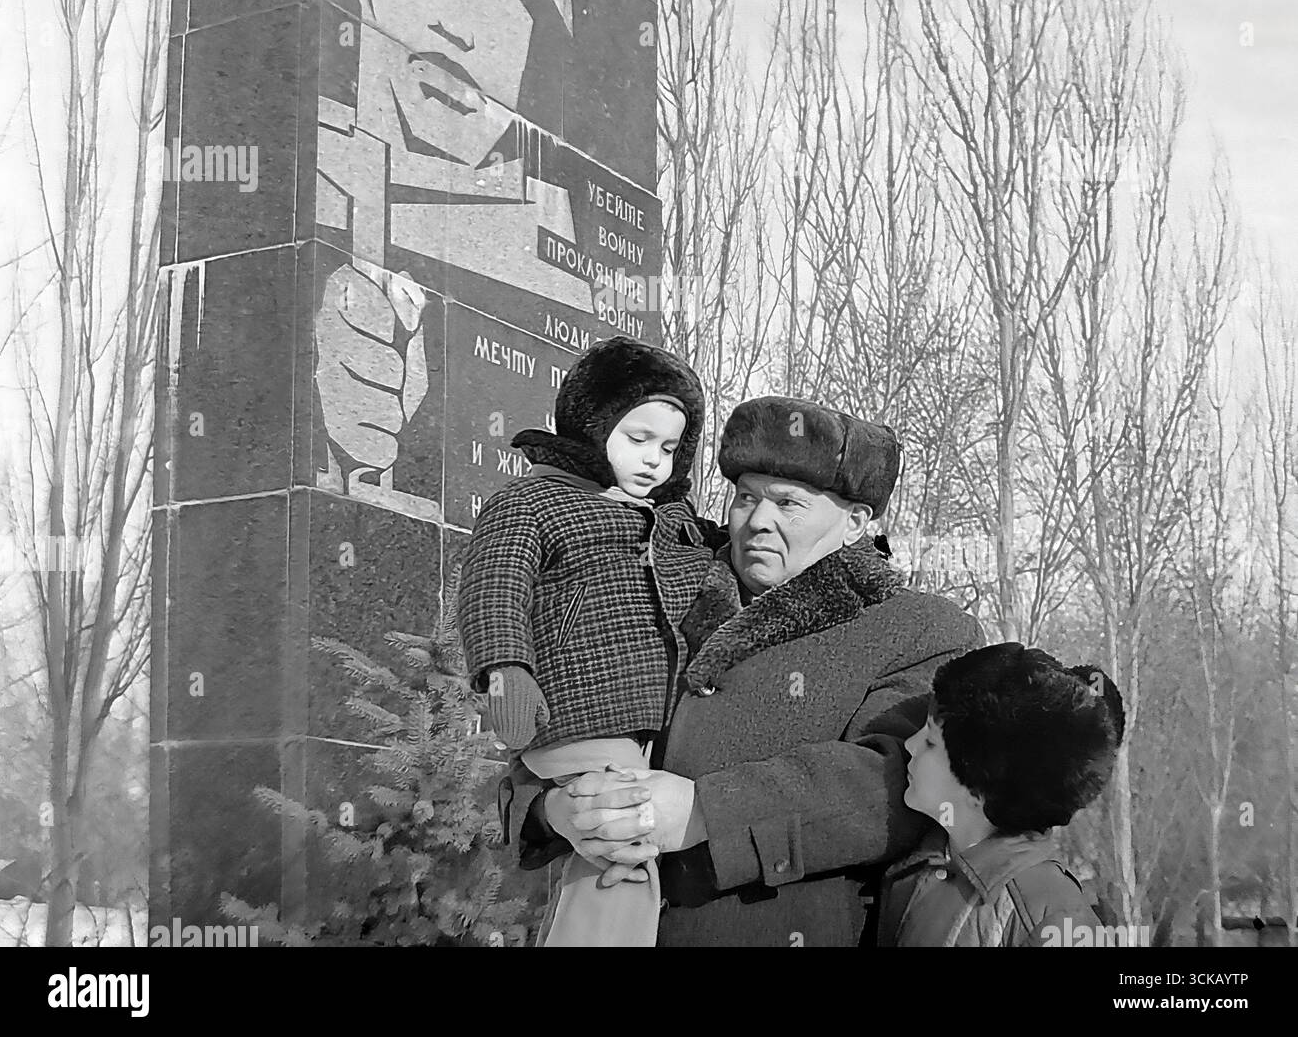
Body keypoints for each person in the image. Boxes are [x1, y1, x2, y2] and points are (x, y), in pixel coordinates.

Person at [505, 395, 985, 946]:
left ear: (856, 522)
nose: (758, 521)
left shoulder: (920, 630)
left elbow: (890, 784)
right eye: (745, 498)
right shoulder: (652, 593)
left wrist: (702, 812)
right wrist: (559, 810)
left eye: (788, 503)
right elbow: (560, 724)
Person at [456, 336, 723, 946]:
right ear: (593, 424)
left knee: (630, 839)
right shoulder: (533, 503)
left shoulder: (678, 522)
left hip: (662, 723)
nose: (655, 459)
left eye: (669, 446)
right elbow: (494, 585)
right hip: (578, 709)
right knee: (620, 843)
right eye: (638, 438)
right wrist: (505, 670)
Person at [878, 642, 1125, 946]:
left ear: (978, 785)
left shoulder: (1048, 913)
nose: (909, 745)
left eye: (930, 742)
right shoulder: (913, 870)